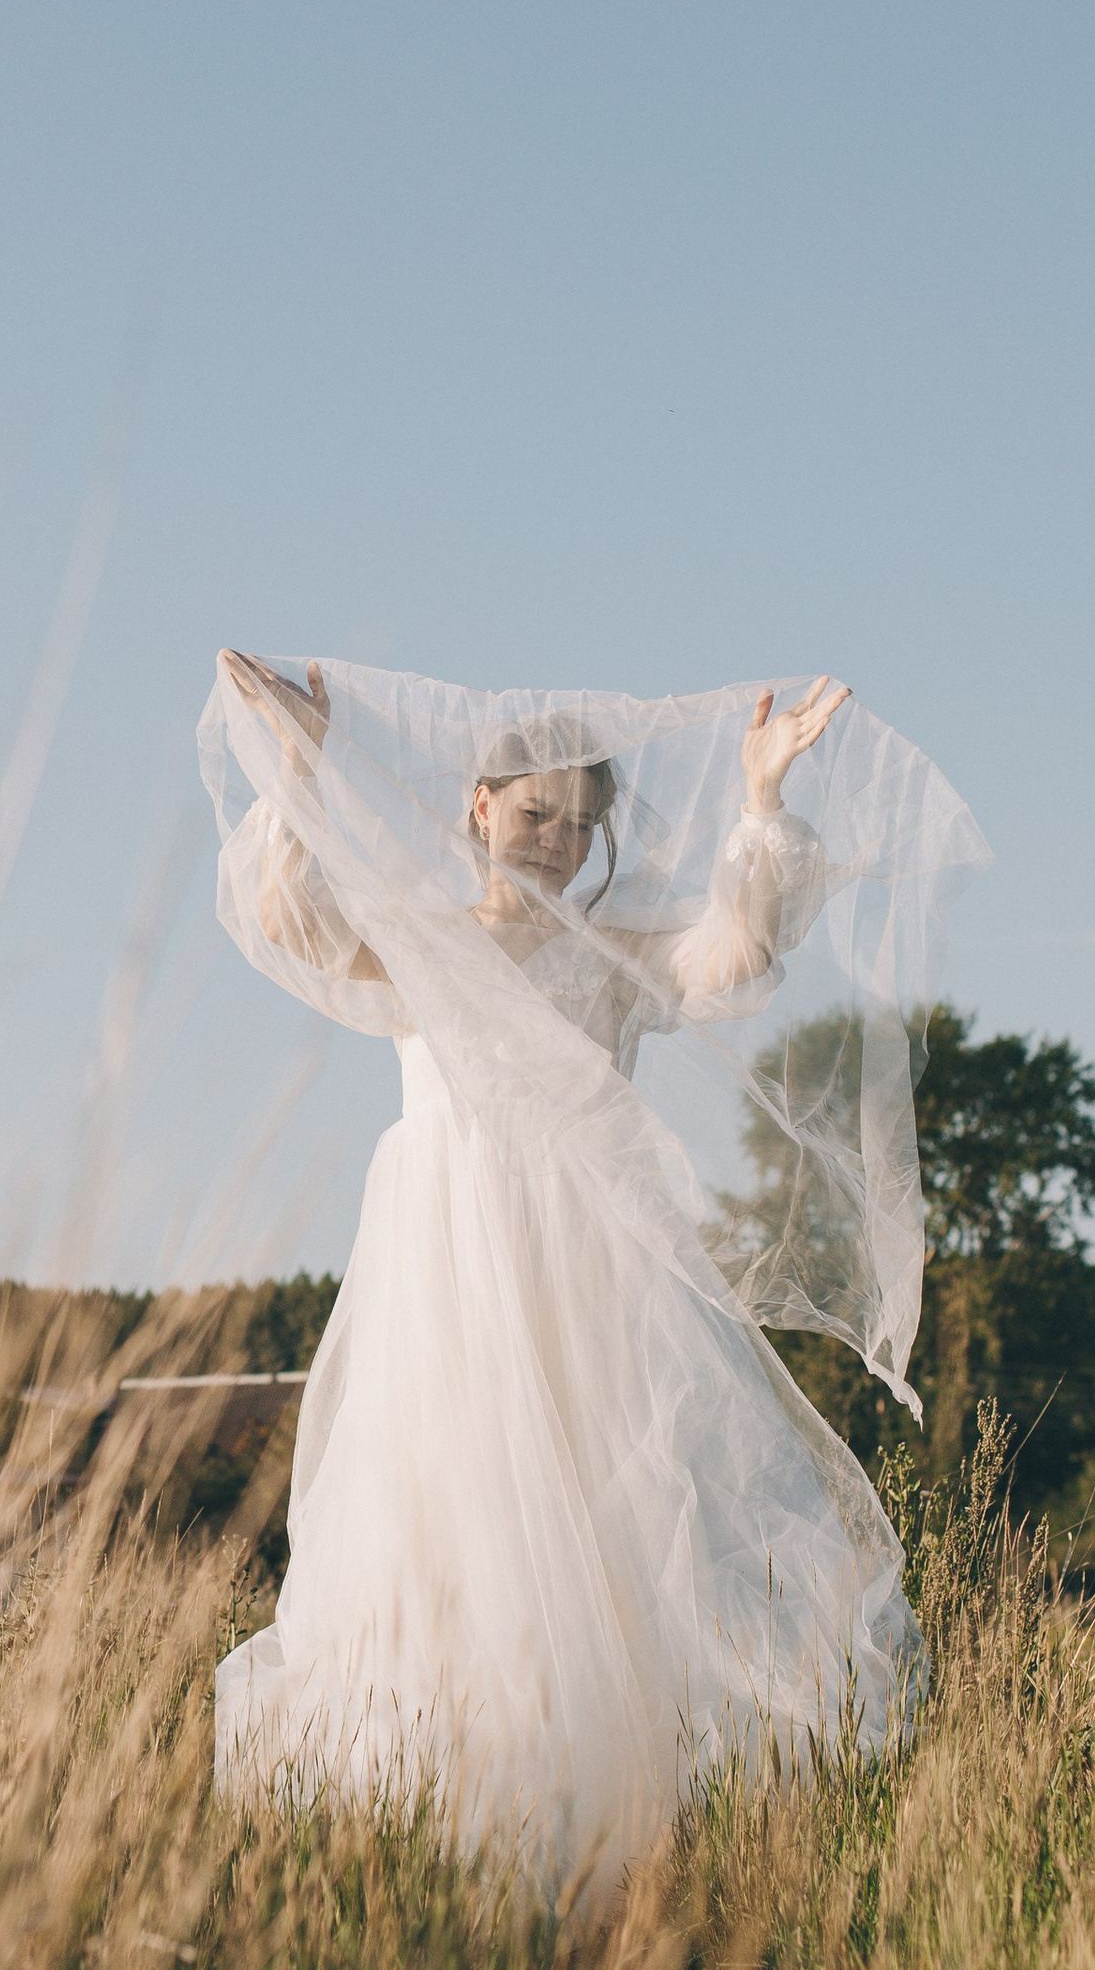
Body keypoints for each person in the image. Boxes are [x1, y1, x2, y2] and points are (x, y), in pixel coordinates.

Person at [200, 649, 986, 1889]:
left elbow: (729, 958)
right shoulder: (420, 939)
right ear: (478, 808)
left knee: (601, 1505)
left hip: (586, 1261)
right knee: (445, 1502)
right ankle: (440, 1803)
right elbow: (294, 922)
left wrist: (761, 800)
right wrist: (303, 769)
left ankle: (606, 1812)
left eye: (579, 823)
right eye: (535, 815)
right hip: (446, 1255)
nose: (558, 842)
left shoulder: (614, 949)